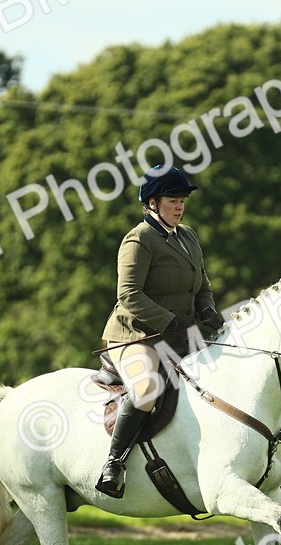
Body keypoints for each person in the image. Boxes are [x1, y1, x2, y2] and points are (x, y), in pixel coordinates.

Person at [95, 165, 225, 498]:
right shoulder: (139, 239)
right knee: (147, 388)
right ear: (152, 202)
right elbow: (129, 295)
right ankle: (114, 464)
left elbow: (202, 286)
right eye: (172, 199)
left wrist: (207, 308)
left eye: (182, 200)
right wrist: (170, 321)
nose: (180, 206)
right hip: (135, 337)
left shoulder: (188, 236)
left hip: (178, 337)